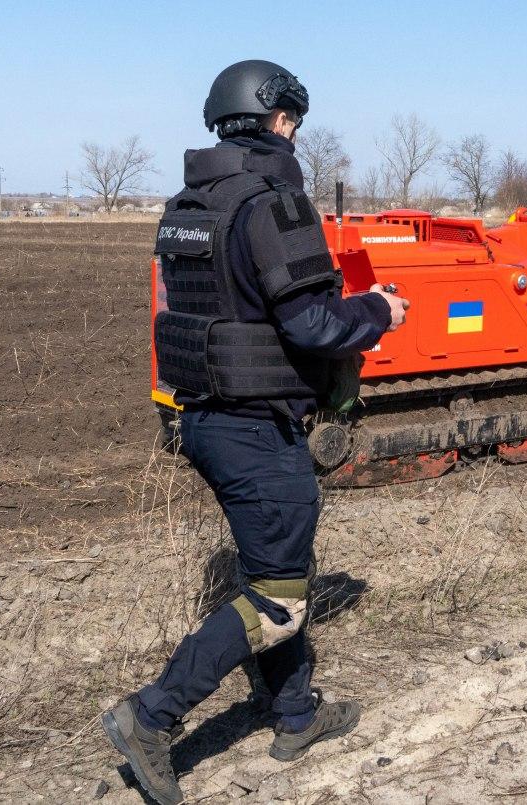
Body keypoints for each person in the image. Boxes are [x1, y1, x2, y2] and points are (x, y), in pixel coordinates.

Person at [101, 60, 409, 805]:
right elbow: (312, 321)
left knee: (277, 569)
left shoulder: (189, 200)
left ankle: (296, 713)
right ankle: (150, 717)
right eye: (294, 123)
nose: (295, 135)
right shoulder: (272, 202)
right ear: (278, 121)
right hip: (253, 426)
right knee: (279, 597)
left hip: (201, 417)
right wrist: (378, 312)